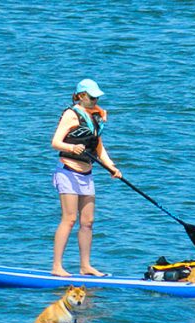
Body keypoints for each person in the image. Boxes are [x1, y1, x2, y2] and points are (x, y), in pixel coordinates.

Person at [49, 78, 123, 277]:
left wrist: (111, 167)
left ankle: (85, 266)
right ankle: (57, 266)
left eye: (97, 97)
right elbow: (55, 142)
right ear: (81, 96)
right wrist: (71, 147)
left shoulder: (95, 117)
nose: (95, 100)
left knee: (88, 222)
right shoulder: (70, 115)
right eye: (91, 97)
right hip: (68, 172)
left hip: (87, 174)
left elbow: (99, 148)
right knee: (70, 219)